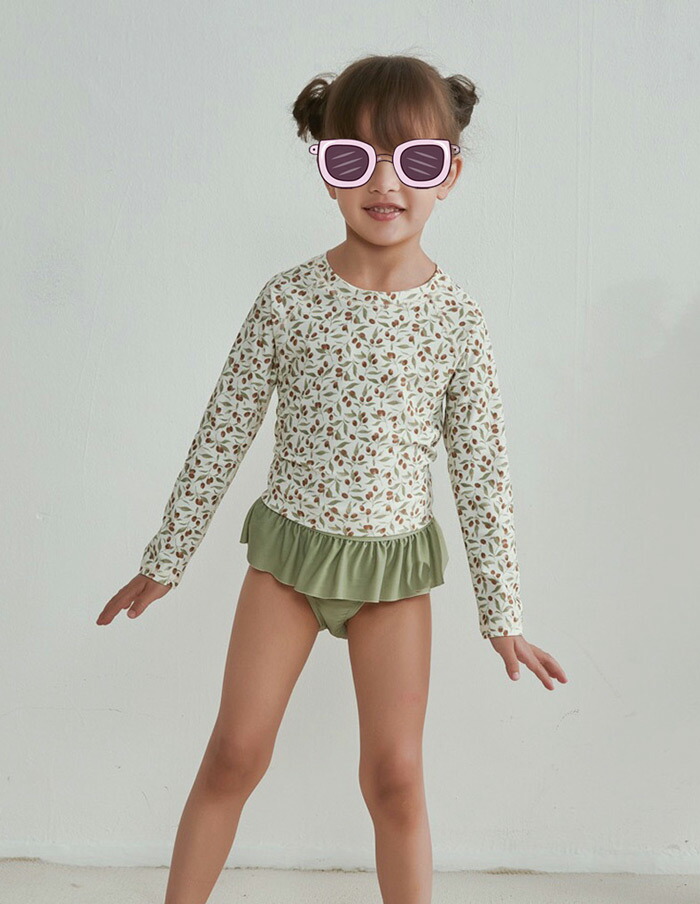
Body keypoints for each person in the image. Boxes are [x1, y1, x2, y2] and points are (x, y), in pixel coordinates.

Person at [97, 53, 567, 904]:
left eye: (415, 160)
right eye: (355, 159)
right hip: (288, 565)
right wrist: (166, 558)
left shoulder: (457, 320)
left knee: (395, 778)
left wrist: (503, 616)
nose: (385, 183)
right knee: (234, 754)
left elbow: (481, 473)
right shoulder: (287, 301)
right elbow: (221, 435)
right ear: (326, 170)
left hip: (394, 576)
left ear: (449, 175)